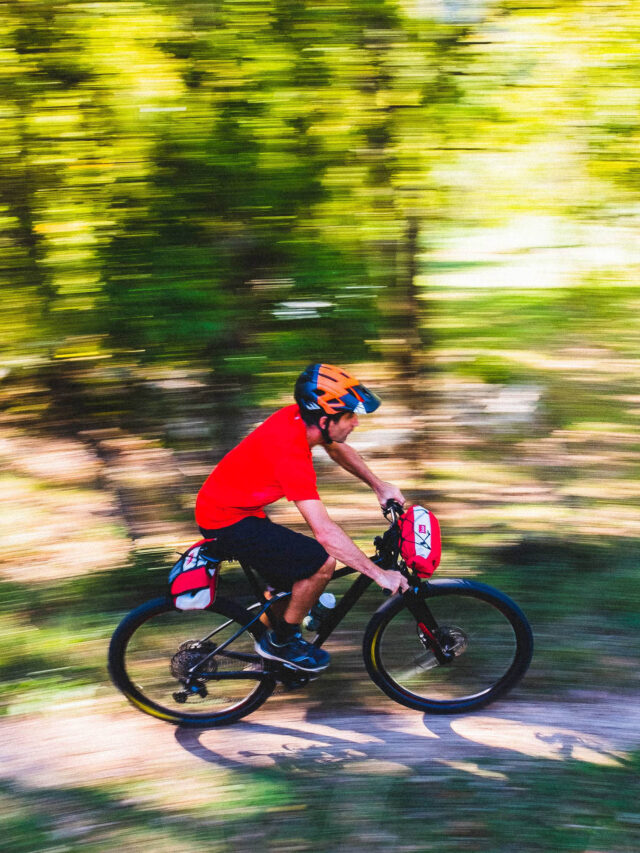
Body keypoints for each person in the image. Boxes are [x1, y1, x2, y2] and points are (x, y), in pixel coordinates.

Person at [195, 362, 409, 673]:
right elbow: (324, 533)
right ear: (325, 420)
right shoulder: (291, 455)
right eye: (350, 416)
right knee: (320, 563)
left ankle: (269, 655)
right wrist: (380, 574)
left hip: (238, 510)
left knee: (292, 581)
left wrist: (379, 485)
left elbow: (336, 448)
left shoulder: (300, 419)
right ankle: (282, 643)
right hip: (226, 521)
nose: (355, 423)